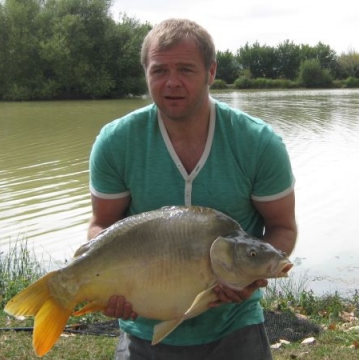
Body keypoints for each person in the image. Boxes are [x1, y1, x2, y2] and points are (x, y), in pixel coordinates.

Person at [87, 18, 297, 360]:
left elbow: (283, 227)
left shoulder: (258, 143)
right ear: (146, 74)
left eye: (186, 69)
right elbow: (101, 226)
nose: (172, 82)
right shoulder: (116, 142)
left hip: (235, 328)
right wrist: (104, 285)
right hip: (142, 327)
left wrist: (252, 275)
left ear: (211, 72)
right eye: (159, 71)